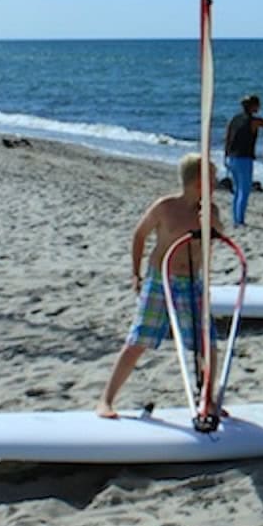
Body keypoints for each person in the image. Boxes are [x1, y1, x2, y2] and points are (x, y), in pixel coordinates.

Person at [97, 153, 223, 419]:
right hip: (161, 278)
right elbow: (139, 234)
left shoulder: (210, 211)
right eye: (212, 178)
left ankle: (208, 399)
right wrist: (136, 273)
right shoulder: (165, 207)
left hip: (192, 281)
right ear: (198, 182)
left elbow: (219, 238)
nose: (216, 182)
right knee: (139, 339)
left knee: (206, 342)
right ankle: (106, 400)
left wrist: (210, 219)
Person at [223, 94, 263, 226]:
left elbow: (227, 137)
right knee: (244, 190)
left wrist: (226, 155)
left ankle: (236, 218)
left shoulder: (234, 119)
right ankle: (240, 220)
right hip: (244, 158)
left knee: (237, 190)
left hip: (232, 157)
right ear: (254, 106)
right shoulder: (253, 121)